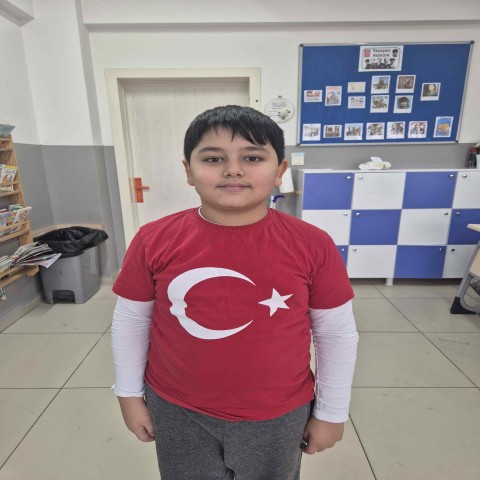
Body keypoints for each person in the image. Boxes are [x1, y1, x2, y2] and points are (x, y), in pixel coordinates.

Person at [111, 105, 358, 480]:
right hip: (178, 408)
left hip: (278, 414)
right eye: (213, 158)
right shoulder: (153, 240)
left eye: (252, 158)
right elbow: (131, 321)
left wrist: (332, 412)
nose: (233, 170)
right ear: (188, 171)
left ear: (279, 171)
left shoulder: (313, 244)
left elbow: (336, 333)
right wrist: (128, 395)